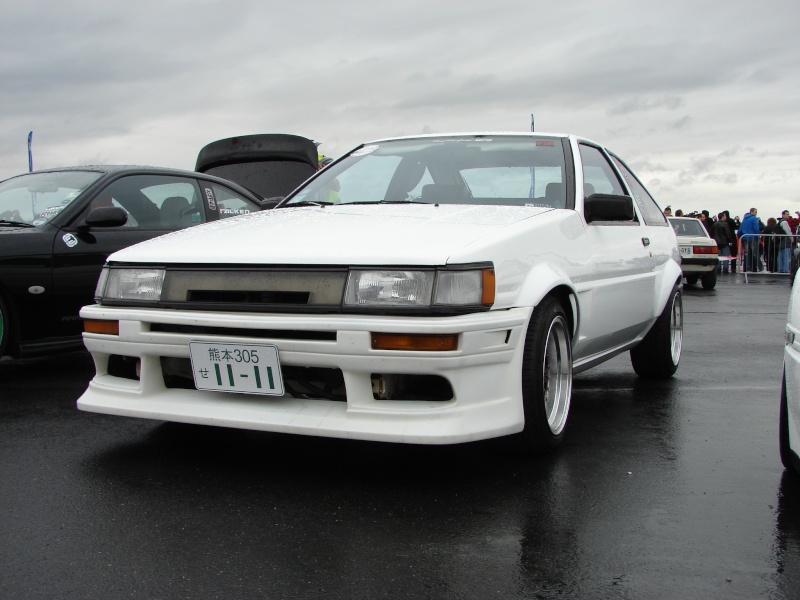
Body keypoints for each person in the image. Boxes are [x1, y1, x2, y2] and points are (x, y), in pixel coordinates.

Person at [738, 208, 761, 272]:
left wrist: (740, 236)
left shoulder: (744, 219)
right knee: (755, 253)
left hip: (745, 238)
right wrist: (758, 236)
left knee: (747, 254)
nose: (756, 214)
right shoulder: (754, 218)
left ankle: (747, 268)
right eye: (755, 212)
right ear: (752, 212)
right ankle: (760, 268)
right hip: (753, 238)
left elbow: (740, 229)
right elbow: (756, 228)